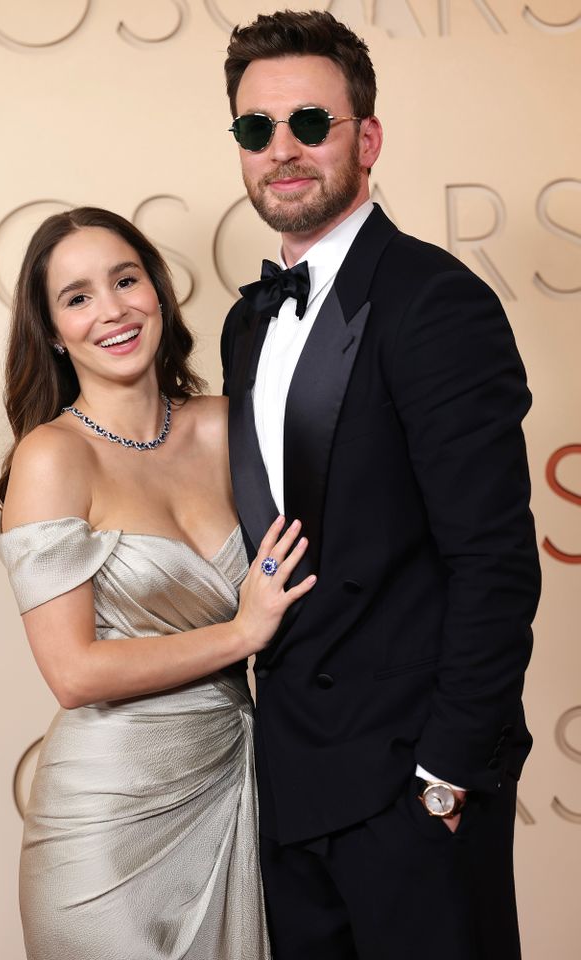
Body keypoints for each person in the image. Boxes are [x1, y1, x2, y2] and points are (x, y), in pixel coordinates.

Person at [220, 10, 541, 960]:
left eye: (310, 123)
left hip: (412, 789)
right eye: (256, 129)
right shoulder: (249, 325)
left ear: (367, 137)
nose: (283, 150)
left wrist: (445, 778)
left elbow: (493, 562)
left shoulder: (434, 301)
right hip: (293, 782)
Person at [0, 206, 315, 960]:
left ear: (159, 292)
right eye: (77, 297)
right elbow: (73, 674)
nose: (111, 310)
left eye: (126, 279)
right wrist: (240, 632)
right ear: (50, 329)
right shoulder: (52, 457)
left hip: (241, 786)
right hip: (107, 828)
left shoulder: (230, 425)